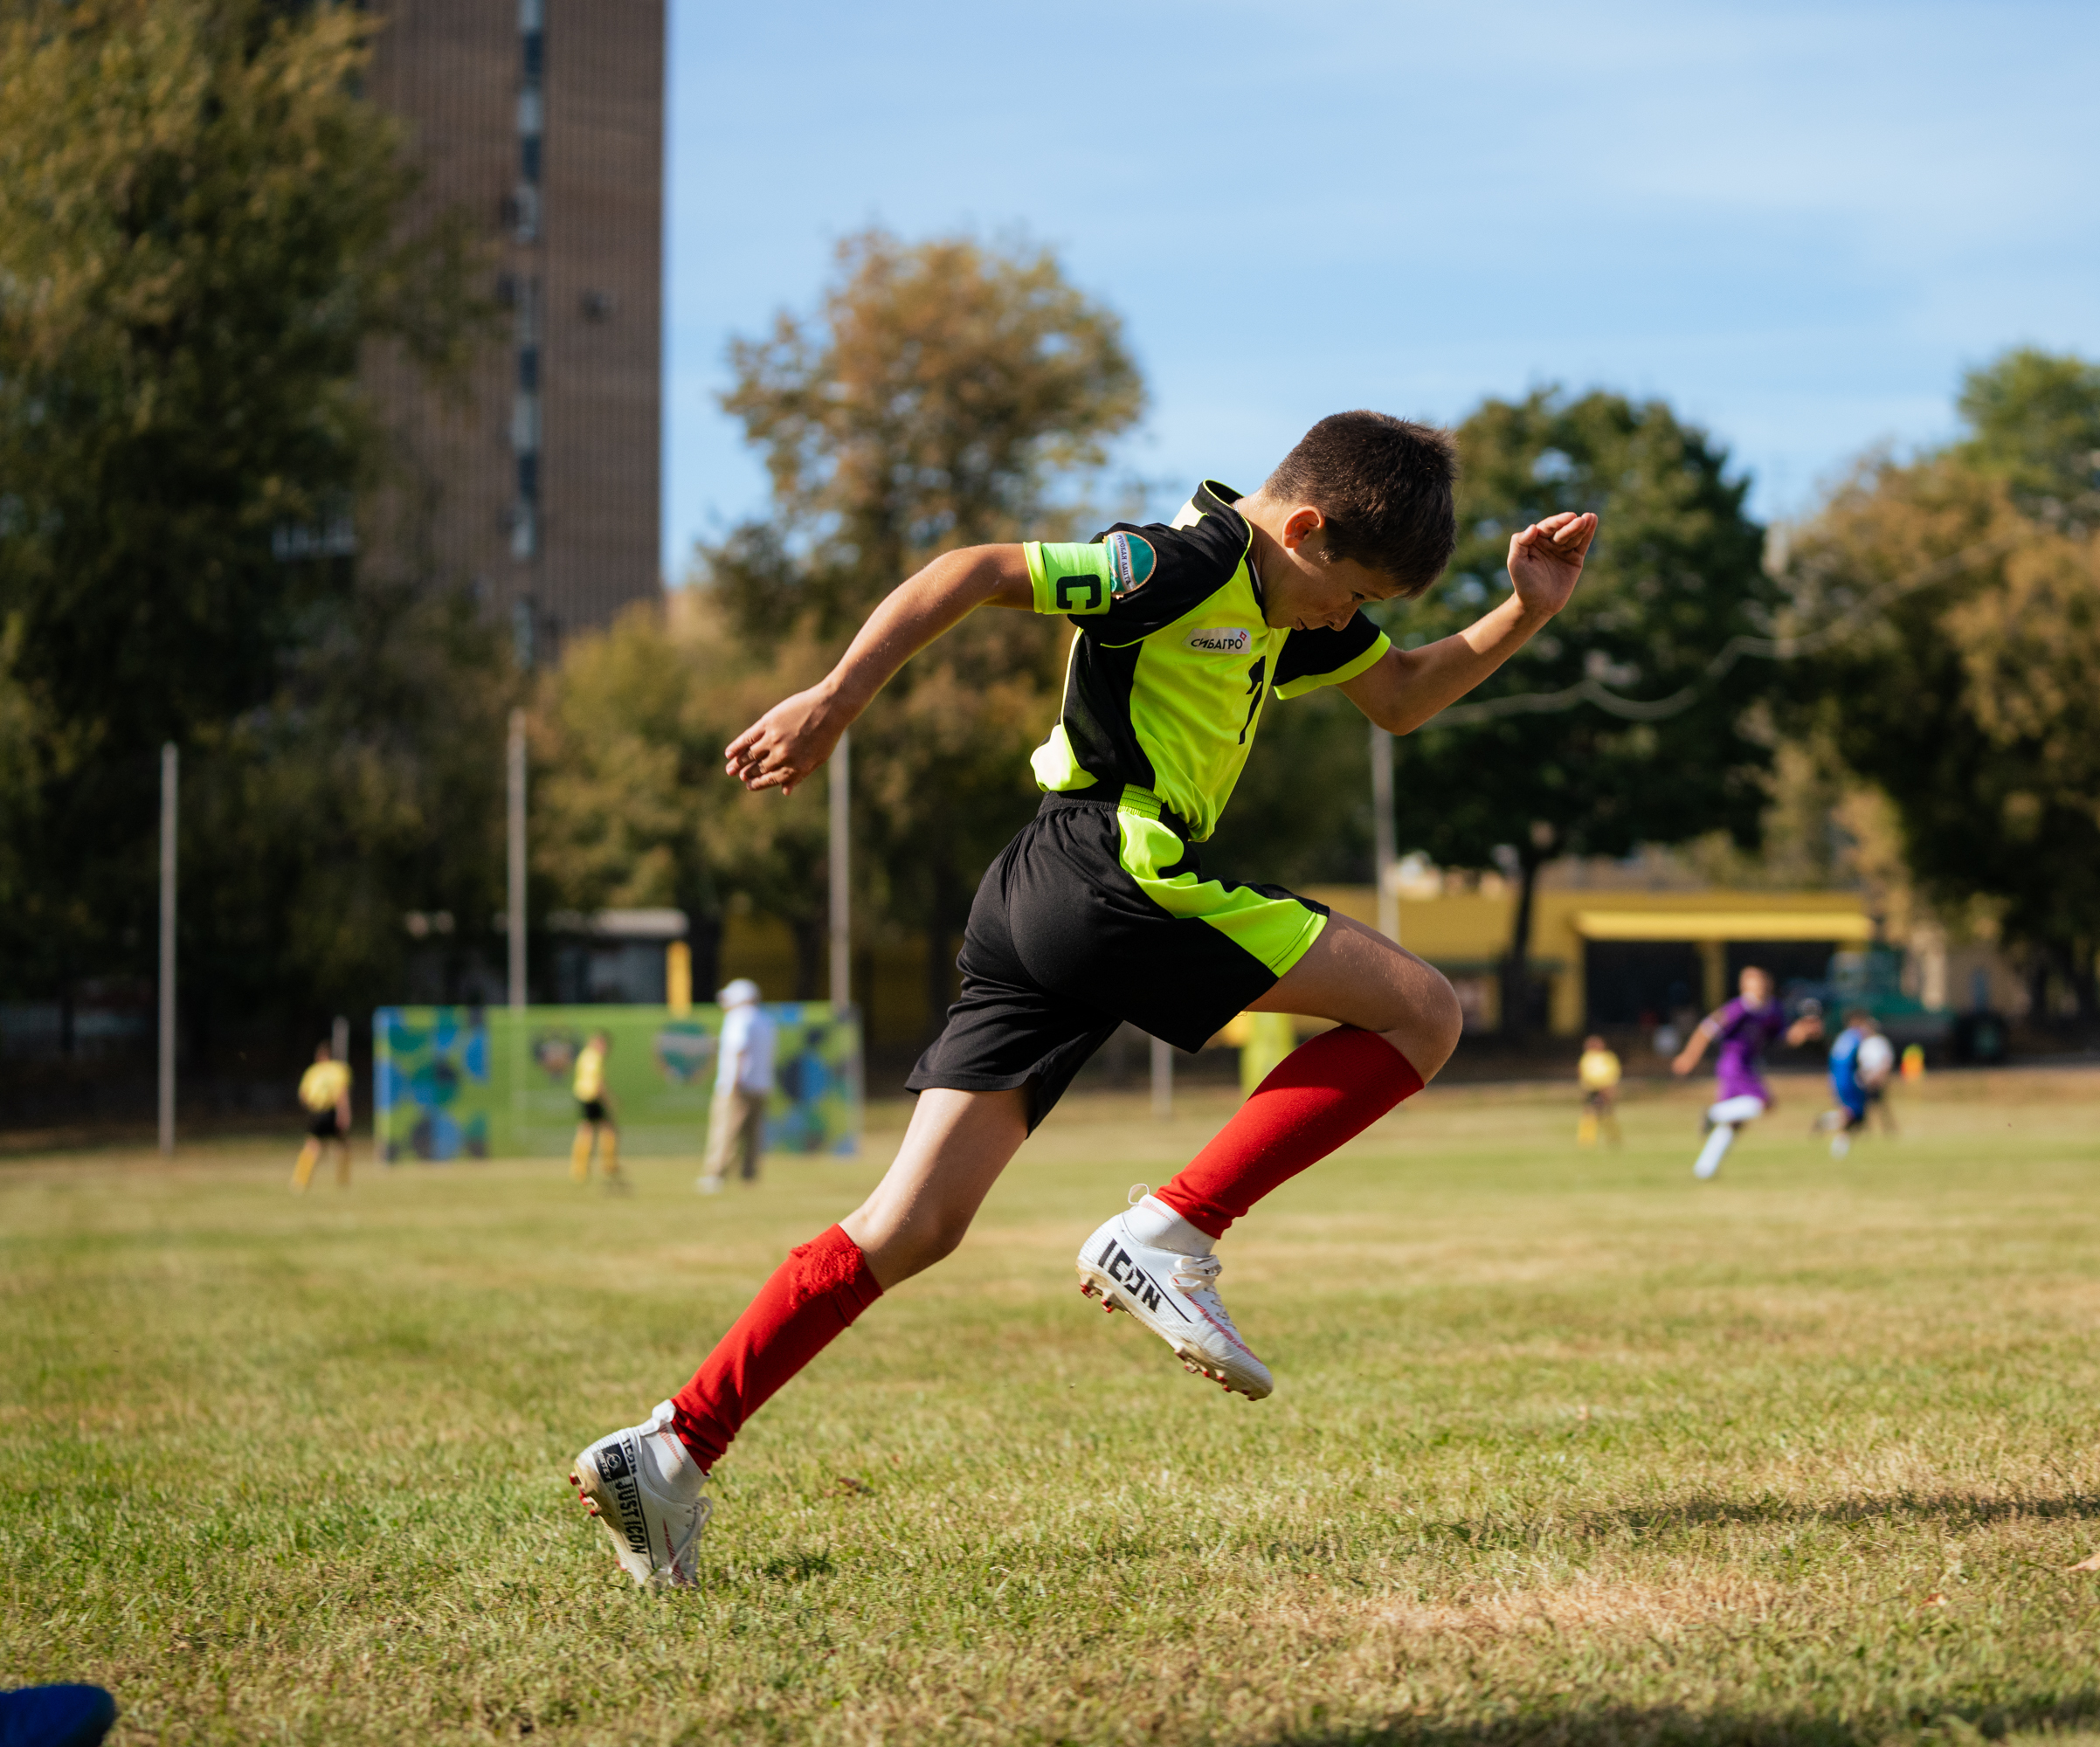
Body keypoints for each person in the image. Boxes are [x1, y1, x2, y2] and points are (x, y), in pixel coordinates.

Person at [567, 412, 1599, 1587]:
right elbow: (974, 571)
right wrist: (838, 699)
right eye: (1350, 593)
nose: (1344, 620)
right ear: (1305, 528)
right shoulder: (1180, 563)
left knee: (912, 1225)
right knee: (1425, 1012)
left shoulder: (1281, 603)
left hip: (1036, 893)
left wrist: (1525, 611)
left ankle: (671, 1448)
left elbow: (1402, 695)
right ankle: (1170, 1229)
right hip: (1109, 870)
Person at [1669, 967, 1822, 1179]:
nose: (1760, 988)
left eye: (1762, 983)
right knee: (1765, 1103)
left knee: (1735, 1123)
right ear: (1744, 987)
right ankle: (1713, 1114)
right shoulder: (1738, 1009)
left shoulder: (1772, 1009)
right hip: (1733, 1064)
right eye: (1754, 984)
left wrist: (1802, 1031)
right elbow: (1706, 1029)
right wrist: (1689, 1057)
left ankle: (1704, 1169)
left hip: (1749, 1064)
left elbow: (1784, 1037)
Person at [696, 982, 776, 1193]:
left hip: (738, 1085)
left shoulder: (738, 1018)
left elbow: (738, 1050)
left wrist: (733, 1082)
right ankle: (749, 1174)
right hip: (760, 1086)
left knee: (725, 1131)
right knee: (753, 1134)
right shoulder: (765, 1019)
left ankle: (715, 1174)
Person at [1815, 1012, 1895, 1157]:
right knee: (1855, 1116)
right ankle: (1827, 1123)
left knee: (1854, 1115)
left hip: (1838, 1080)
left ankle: (1835, 1134)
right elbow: (1865, 1061)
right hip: (1850, 1081)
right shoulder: (1858, 1037)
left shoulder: (1843, 1037)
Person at [289, 1041, 351, 1191]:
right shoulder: (338, 1070)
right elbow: (341, 1094)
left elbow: (303, 1095)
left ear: (319, 1056)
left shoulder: (312, 1071)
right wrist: (344, 1114)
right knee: (342, 1147)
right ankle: (343, 1181)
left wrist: (311, 1108)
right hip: (332, 1111)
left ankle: (300, 1181)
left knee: (312, 1147)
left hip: (316, 1112)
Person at [569, 1028, 625, 1187]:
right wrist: (608, 1099)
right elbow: (598, 1081)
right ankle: (608, 1165)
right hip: (592, 1097)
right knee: (606, 1129)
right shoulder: (594, 1057)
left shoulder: (584, 1055)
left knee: (588, 1130)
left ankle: (580, 1168)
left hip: (582, 1095)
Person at [1575, 1033, 1622, 1147]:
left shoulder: (1607, 1057)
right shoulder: (1587, 1058)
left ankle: (1613, 1137)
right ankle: (1586, 1139)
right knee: (1589, 1113)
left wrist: (1609, 1088)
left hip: (1605, 1089)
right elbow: (1584, 1073)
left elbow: (1613, 1073)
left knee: (1607, 1114)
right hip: (1592, 1089)